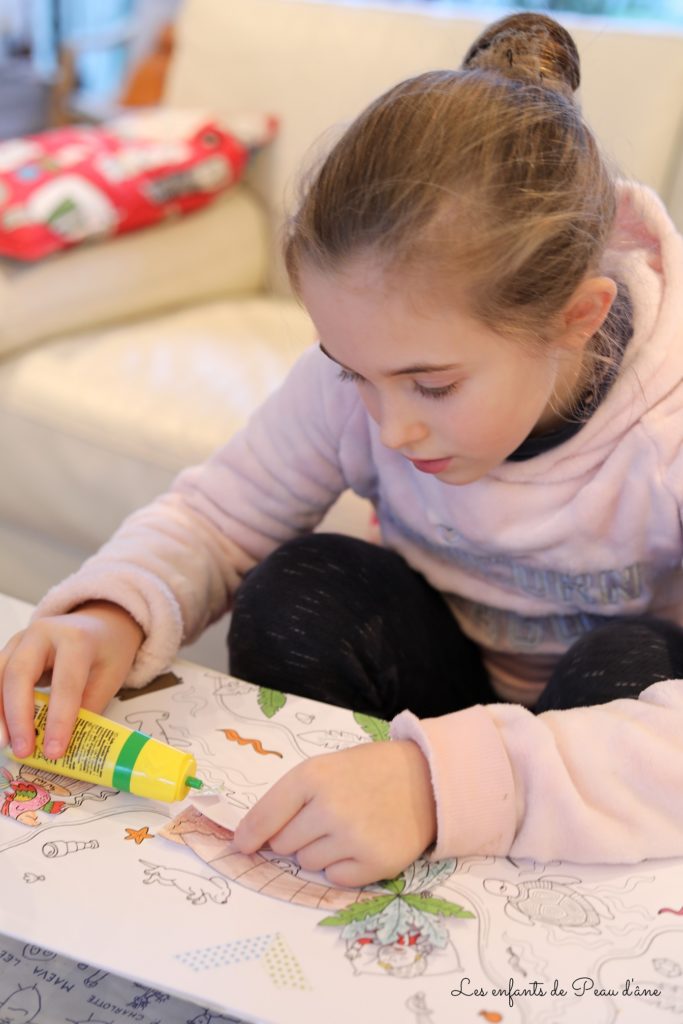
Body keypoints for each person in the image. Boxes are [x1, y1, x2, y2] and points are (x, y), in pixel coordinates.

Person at [2, 11, 683, 887]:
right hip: (434, 678)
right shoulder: (360, 381)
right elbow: (218, 515)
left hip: (588, 741)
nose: (388, 426)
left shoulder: (662, 429)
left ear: (575, 317)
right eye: (351, 371)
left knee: (625, 664)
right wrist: (113, 610)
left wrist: (438, 787)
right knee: (300, 586)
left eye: (431, 385)